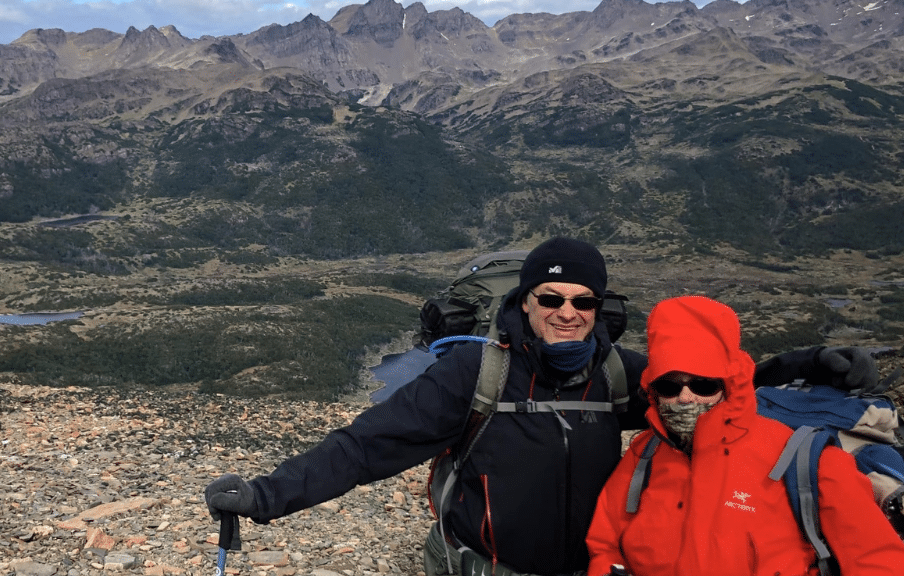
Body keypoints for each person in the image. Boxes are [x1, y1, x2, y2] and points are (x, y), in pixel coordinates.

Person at [205, 237, 878, 576]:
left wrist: (792, 369)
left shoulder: (621, 374)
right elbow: (364, 447)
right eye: (550, 299)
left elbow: (703, 392)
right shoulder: (476, 372)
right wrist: (266, 496)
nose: (566, 313)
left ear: (600, 310)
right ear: (524, 303)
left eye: (582, 301)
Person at [585, 295, 904, 576]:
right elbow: (605, 544)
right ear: (653, 392)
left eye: (703, 385)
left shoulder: (804, 458)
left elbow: (876, 558)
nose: (686, 398)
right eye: (670, 386)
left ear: (728, 386)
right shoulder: (643, 457)